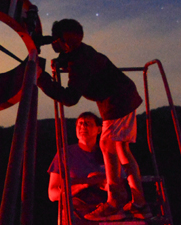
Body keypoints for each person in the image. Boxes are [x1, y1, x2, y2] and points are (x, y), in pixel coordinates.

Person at [37, 19, 152, 221]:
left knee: (108, 147)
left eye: (57, 41)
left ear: (64, 42)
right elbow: (72, 54)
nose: (54, 46)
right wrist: (62, 61)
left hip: (117, 102)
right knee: (121, 150)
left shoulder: (80, 63)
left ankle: (116, 200)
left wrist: (41, 78)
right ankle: (139, 203)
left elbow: (71, 98)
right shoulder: (81, 51)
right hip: (123, 97)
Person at [47, 112, 109, 223]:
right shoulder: (64, 154)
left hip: (103, 213)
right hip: (74, 215)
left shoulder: (107, 154)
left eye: (88, 123)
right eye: (80, 123)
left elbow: (120, 184)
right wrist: (85, 183)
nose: (83, 126)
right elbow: (52, 194)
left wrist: (103, 181)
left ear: (99, 130)